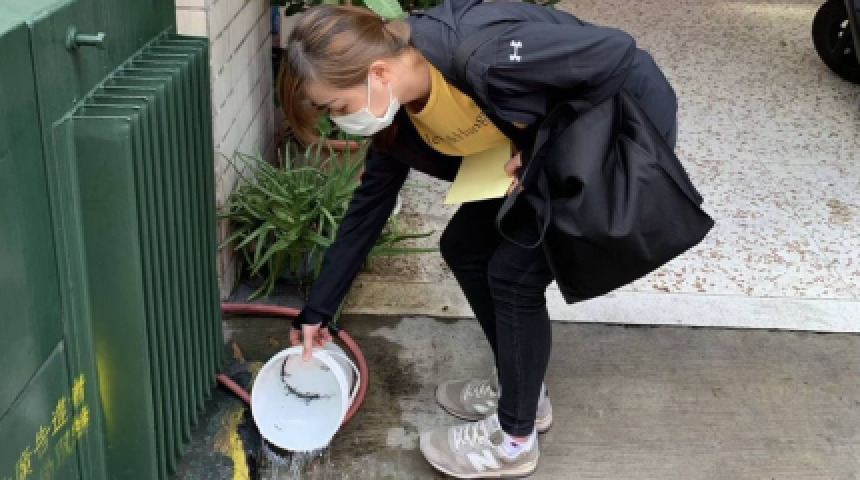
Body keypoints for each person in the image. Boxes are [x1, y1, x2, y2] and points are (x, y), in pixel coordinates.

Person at [279, 0, 677, 477]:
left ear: (379, 71)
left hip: (613, 123)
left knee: (514, 275)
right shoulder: (399, 114)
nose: (341, 121)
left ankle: (514, 440)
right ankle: (523, 391)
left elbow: (617, 53)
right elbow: (370, 206)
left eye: (338, 108)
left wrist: (541, 149)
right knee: (465, 247)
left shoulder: (480, 53)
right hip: (537, 145)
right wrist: (319, 310)